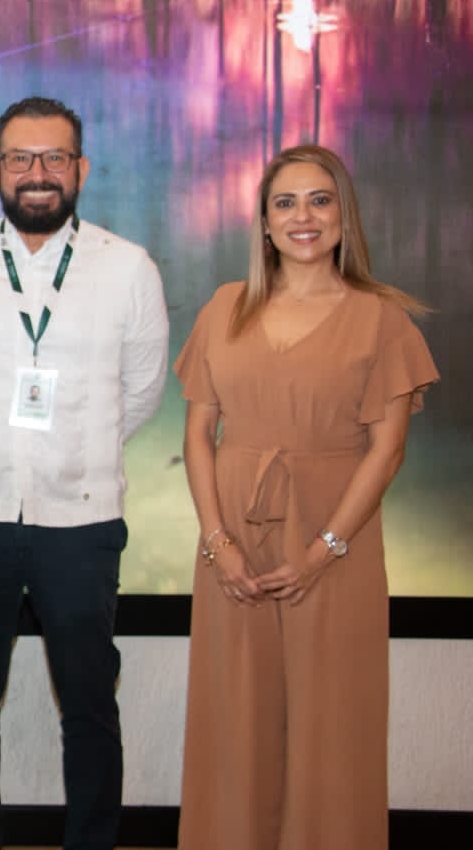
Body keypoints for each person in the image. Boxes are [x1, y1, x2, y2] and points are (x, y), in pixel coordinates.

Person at [175, 145, 438, 850]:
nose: (304, 217)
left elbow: (387, 450)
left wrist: (324, 550)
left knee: (334, 725)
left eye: (320, 200)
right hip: (233, 543)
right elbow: (198, 435)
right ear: (264, 222)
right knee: (235, 718)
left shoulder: (381, 319)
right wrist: (218, 542)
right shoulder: (224, 307)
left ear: (344, 215)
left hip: (338, 540)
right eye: (285, 202)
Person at [0, 97, 169, 850]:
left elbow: (141, 390)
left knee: (90, 706)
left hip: (81, 520)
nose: (38, 173)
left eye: (55, 157)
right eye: (20, 158)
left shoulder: (127, 267)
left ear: (80, 169)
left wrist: (72, 448)